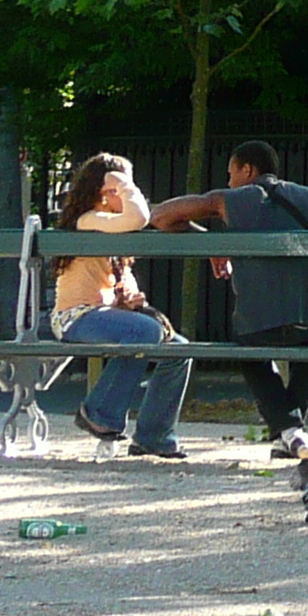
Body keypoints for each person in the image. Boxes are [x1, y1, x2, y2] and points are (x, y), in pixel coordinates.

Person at [152, 140, 308, 459]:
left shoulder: (226, 200)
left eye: (231, 173)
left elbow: (161, 216)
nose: (228, 181)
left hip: (257, 327)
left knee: (247, 349)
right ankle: (292, 435)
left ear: (248, 170)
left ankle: (289, 430)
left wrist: (209, 242)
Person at [52, 153, 190, 459]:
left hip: (105, 314)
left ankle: (154, 436)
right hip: (75, 317)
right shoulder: (88, 220)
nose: (129, 193)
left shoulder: (113, 233)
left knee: (180, 350)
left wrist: (131, 301)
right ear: (104, 192)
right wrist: (120, 181)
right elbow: (139, 216)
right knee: (145, 333)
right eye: (121, 188)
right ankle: (98, 413)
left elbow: (122, 284)